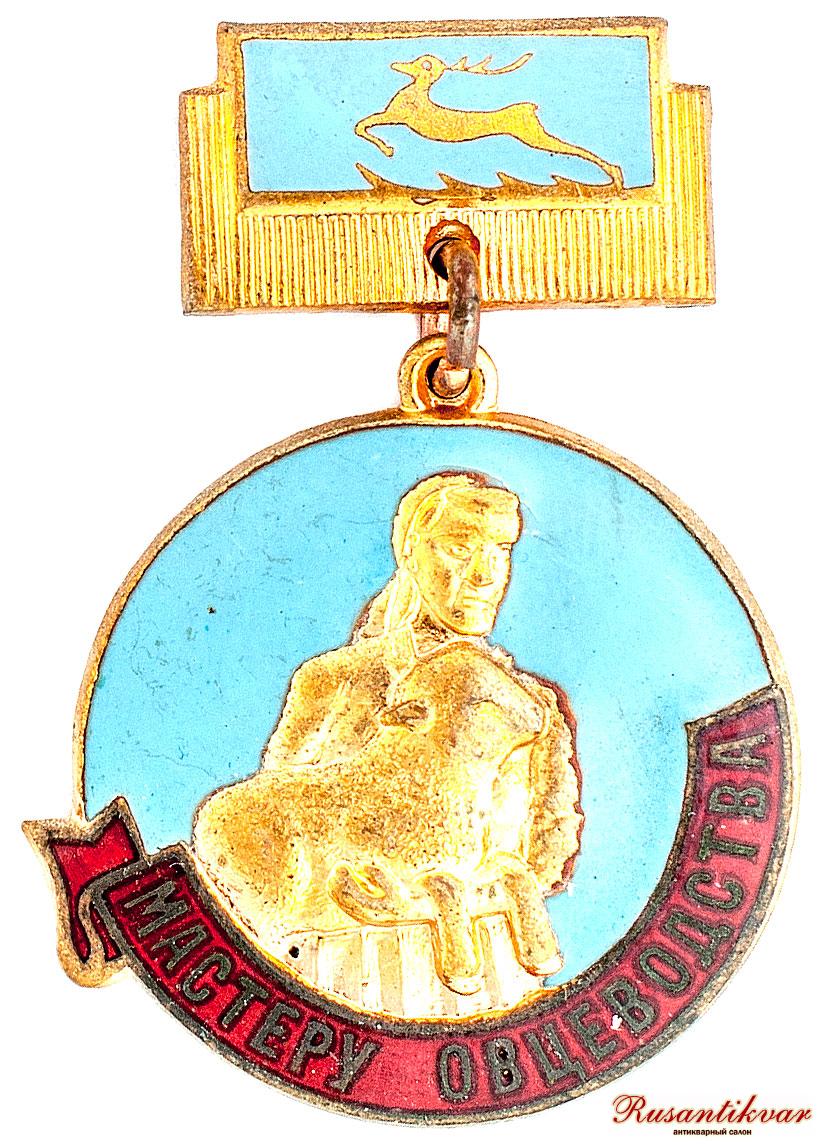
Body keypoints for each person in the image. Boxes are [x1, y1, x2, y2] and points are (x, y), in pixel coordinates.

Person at [193, 472, 583, 1013]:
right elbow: (274, 832)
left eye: (500, 550)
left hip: (491, 961)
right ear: (411, 553)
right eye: (458, 548)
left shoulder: (533, 704)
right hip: (342, 962)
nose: (484, 574)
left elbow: (548, 843)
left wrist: (501, 885)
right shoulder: (336, 680)